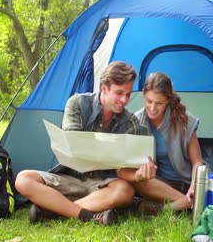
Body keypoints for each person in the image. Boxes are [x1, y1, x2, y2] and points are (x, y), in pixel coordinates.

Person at [15, 61, 142, 226]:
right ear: (104, 88)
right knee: (23, 179)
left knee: (125, 191)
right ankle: (87, 215)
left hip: (102, 184)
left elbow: (126, 164)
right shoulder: (77, 103)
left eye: (128, 94)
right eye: (119, 93)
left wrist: (139, 170)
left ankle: (54, 210)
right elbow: (72, 144)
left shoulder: (130, 120)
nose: (124, 100)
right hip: (69, 177)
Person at [118, 72, 204, 213]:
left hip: (187, 183)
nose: (152, 108)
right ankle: (187, 203)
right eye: (148, 101)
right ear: (143, 96)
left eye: (159, 103)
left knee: (199, 186)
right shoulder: (136, 120)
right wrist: (140, 173)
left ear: (168, 101)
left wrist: (195, 186)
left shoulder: (184, 119)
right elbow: (126, 168)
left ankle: (167, 208)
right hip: (160, 185)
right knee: (139, 181)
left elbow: (197, 162)